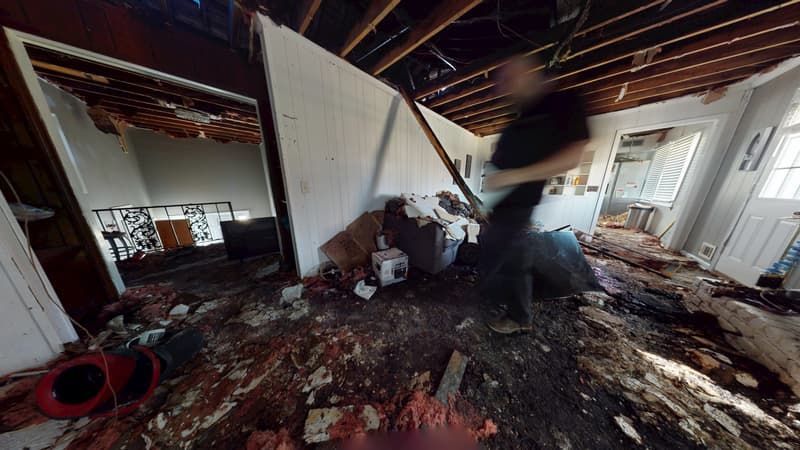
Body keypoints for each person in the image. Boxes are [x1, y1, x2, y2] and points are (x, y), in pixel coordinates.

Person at [479, 56, 590, 334]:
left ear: (531, 72)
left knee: (516, 261)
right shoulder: (520, 116)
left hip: (519, 206)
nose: (505, 86)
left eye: (509, 77)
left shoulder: (564, 103)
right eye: (502, 81)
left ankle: (520, 318)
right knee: (497, 254)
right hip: (501, 207)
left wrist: (515, 176)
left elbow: (571, 157)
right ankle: (497, 297)